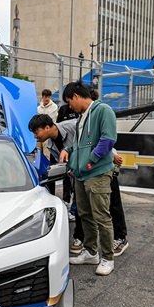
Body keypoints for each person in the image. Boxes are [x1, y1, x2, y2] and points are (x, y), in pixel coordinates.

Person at [59, 82, 117, 276]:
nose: (70, 106)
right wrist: (68, 151)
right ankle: (91, 252)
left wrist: (89, 162)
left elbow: (108, 140)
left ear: (76, 96)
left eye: (69, 102)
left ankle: (107, 258)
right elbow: (79, 144)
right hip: (82, 174)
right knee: (85, 214)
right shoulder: (81, 117)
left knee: (101, 216)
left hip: (97, 173)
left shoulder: (103, 110)